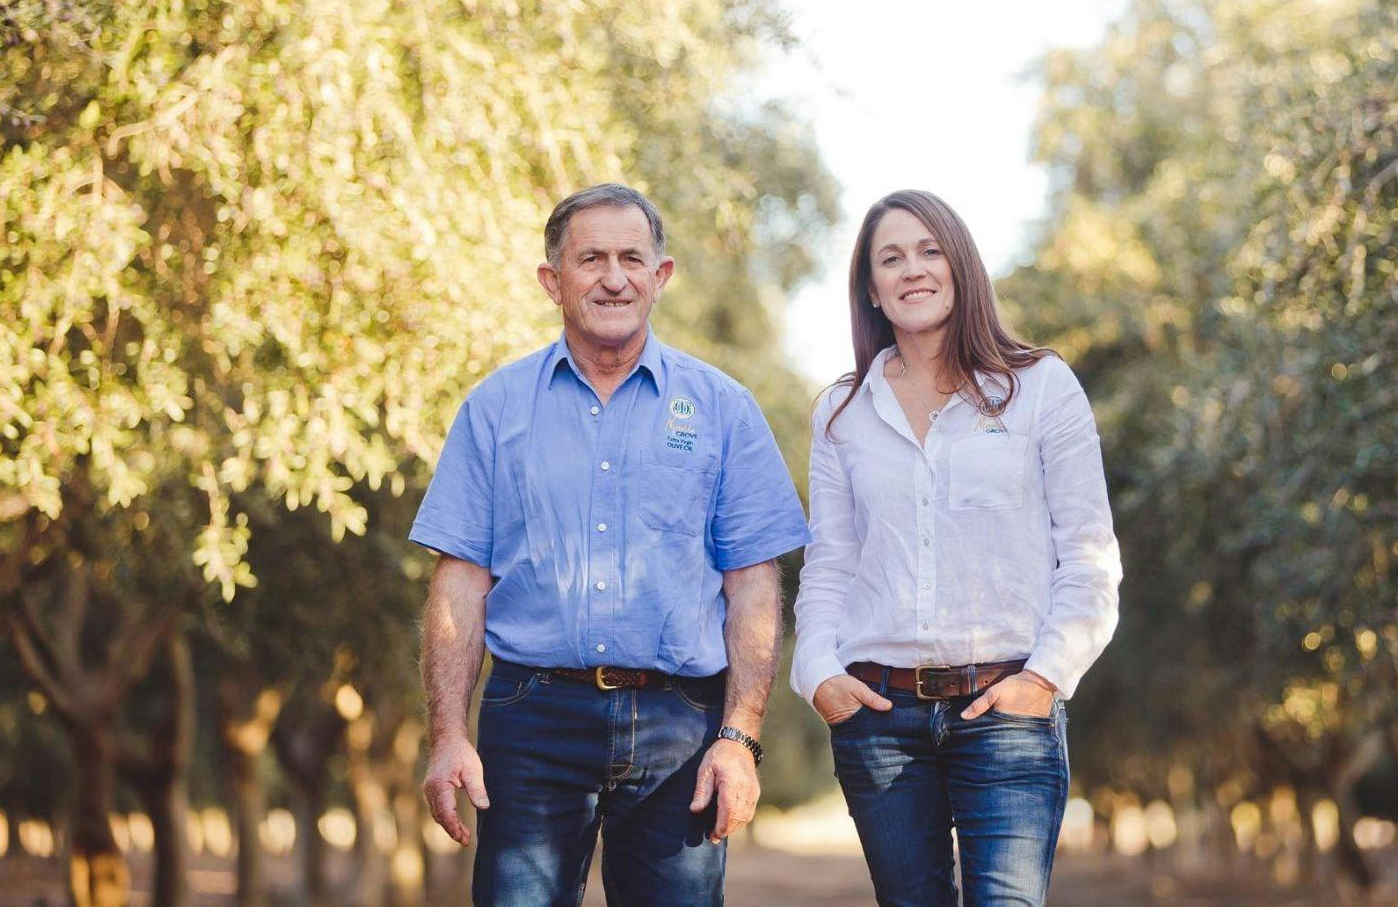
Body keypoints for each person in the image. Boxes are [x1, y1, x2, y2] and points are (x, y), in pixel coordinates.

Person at [412, 183, 811, 907]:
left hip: (679, 728)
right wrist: (447, 734)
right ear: (551, 281)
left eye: (632, 257)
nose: (614, 276)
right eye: (590, 258)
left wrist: (739, 738)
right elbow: (459, 582)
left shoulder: (724, 410)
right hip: (530, 719)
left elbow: (753, 582)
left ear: (661, 277)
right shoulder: (494, 409)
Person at [791, 189, 1121, 907]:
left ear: (960, 266)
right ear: (872, 290)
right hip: (880, 719)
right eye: (891, 258)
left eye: (928, 250)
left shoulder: (1039, 388)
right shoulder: (842, 411)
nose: (912, 269)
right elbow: (831, 562)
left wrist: (1044, 678)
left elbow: (1090, 555)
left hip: (1006, 712)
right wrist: (818, 673)